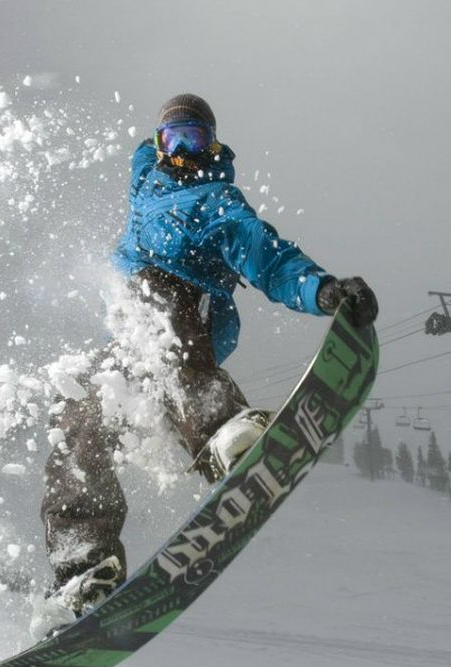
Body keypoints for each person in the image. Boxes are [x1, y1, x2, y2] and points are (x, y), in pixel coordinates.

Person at [38, 93, 378, 625]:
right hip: (133, 344)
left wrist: (325, 290)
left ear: (212, 144)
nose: (184, 153)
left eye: (194, 140)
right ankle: (83, 567)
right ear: (157, 145)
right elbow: (141, 154)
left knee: (160, 302)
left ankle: (223, 430)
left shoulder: (219, 200)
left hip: (188, 317)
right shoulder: (144, 176)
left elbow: (272, 259)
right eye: (174, 141)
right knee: (78, 411)